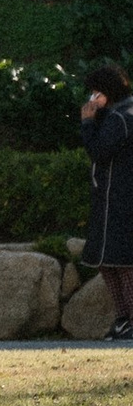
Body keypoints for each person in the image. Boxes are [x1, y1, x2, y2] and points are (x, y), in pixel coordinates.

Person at [81, 65, 133, 342]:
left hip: (119, 200)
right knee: (107, 261)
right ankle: (124, 319)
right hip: (112, 199)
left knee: (122, 261)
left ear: (108, 92)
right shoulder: (121, 113)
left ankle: (129, 318)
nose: (92, 98)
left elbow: (99, 151)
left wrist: (88, 122)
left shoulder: (121, 117)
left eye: (97, 93)